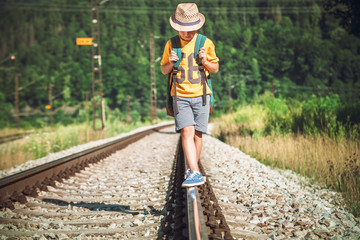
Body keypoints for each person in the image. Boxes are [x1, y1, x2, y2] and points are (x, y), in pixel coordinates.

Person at [160, 3, 219, 187]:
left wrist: (205, 61)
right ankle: (194, 171)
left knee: (198, 135)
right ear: (177, 27)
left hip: (202, 95)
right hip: (180, 96)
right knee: (187, 131)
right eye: (184, 30)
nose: (188, 33)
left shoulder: (205, 43)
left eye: (191, 29)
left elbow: (215, 68)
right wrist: (170, 63)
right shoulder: (171, 44)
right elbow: (163, 70)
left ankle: (193, 170)